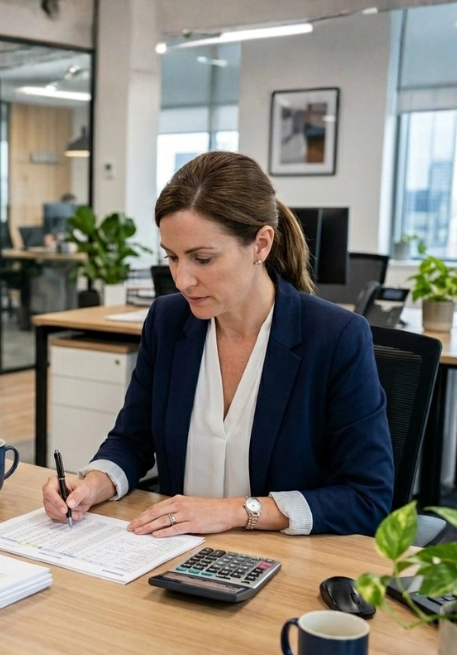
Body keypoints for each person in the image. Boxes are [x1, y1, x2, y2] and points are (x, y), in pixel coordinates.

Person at [42, 151, 393, 537]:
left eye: (203, 259)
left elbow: (367, 498)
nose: (182, 280)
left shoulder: (336, 336)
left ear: (261, 244)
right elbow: (133, 439)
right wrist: (93, 482)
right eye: (172, 258)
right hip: (174, 553)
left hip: (285, 562)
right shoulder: (167, 320)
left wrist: (235, 512)